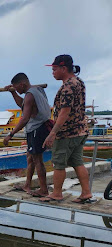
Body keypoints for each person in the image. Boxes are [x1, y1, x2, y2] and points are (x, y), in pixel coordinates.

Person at [41, 54, 92, 204]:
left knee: (58, 163)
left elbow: (65, 112)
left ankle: (56, 193)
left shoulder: (68, 86)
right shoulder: (79, 82)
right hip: (80, 130)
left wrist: (52, 133)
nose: (53, 72)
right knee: (77, 162)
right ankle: (86, 192)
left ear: (64, 68)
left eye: (55, 69)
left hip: (67, 133)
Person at [3, 73, 51, 197]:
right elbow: (23, 105)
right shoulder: (37, 90)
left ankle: (44, 190)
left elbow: (24, 118)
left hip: (36, 129)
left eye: (17, 88)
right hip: (39, 128)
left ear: (22, 84)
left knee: (37, 160)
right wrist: (12, 92)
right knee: (30, 158)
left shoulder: (30, 95)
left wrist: (10, 134)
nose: (17, 91)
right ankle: (27, 185)